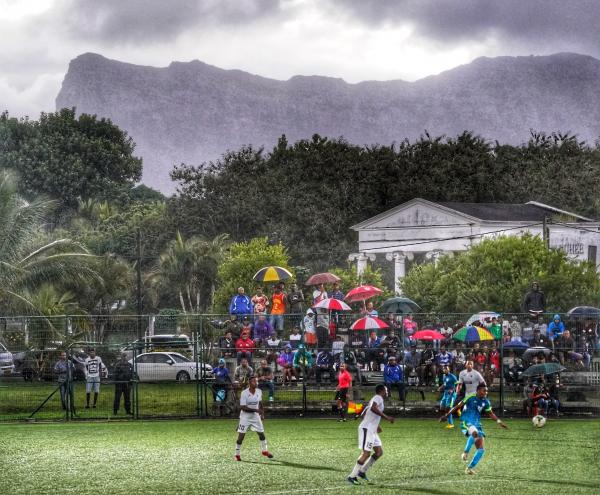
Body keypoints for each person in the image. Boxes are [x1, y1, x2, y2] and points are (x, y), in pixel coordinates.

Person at [440, 384, 508, 475]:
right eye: (484, 390)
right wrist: (446, 415)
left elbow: (491, 413)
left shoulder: (486, 401)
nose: (486, 392)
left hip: (477, 423)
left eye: (487, 391)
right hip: (466, 421)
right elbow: (457, 406)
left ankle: (469, 468)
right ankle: (465, 453)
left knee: (481, 449)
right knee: (475, 433)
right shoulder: (470, 397)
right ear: (478, 390)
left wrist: (499, 422)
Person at [346, 384, 395, 485]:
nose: (387, 392)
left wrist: (376, 425)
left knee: (379, 452)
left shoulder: (374, 399)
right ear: (382, 391)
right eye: (386, 390)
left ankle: (362, 471)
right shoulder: (378, 397)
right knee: (366, 453)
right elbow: (373, 409)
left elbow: (364, 413)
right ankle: (352, 476)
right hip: (366, 429)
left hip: (371, 429)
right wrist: (387, 418)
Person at [234, 376, 273, 461]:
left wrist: (262, 413)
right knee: (241, 437)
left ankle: (265, 451)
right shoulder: (244, 393)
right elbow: (242, 407)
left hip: (255, 416)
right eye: (254, 381)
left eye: (256, 381)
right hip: (245, 416)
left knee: (261, 433)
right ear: (249, 383)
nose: (256, 383)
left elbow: (260, 403)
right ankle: (237, 454)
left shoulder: (259, 391)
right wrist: (256, 410)